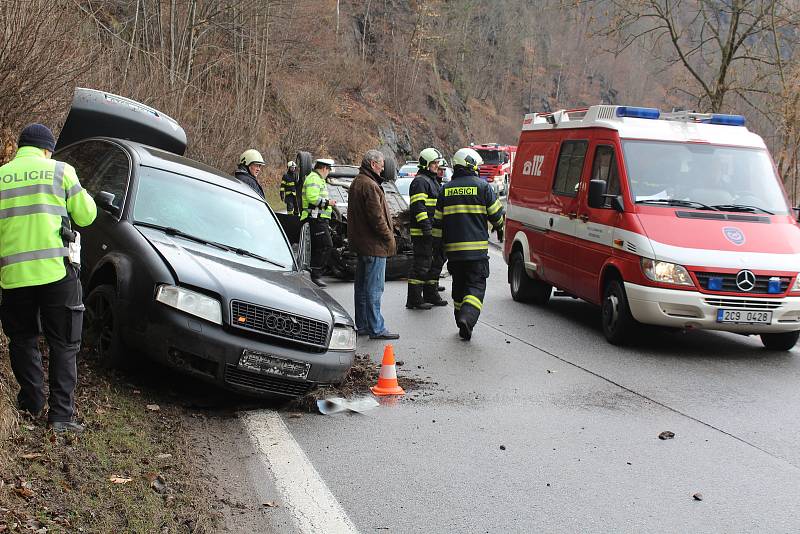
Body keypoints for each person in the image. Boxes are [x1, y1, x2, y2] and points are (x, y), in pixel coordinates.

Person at [0, 124, 97, 432]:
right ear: (47, 150)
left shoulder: (2, 177)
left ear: (20, 148)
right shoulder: (60, 171)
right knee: (64, 343)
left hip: (14, 275)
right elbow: (87, 216)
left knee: (22, 339)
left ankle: (31, 401)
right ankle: (60, 417)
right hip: (57, 272)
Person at [433, 147, 504, 341]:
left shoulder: (445, 190)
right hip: (476, 254)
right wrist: (500, 228)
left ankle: (460, 320)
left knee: (459, 286)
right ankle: (467, 317)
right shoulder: (482, 187)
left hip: (454, 254)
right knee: (476, 286)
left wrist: (437, 248)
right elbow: (497, 217)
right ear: (470, 163)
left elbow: (437, 225)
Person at [347, 150, 399, 340]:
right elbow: (377, 217)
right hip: (374, 245)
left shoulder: (359, 182)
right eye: (381, 164)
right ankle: (376, 328)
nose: (384, 167)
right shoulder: (369, 185)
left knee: (362, 288)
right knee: (374, 289)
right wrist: (389, 237)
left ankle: (362, 325)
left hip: (363, 244)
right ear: (372, 164)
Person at [406, 147, 448, 309]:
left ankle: (431, 293)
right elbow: (418, 207)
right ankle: (414, 299)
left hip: (434, 231)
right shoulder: (420, 182)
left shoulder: (432, 181)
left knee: (434, 263)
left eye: (437, 163)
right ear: (425, 164)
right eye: (434, 163)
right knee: (421, 265)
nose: (437, 166)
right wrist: (426, 228)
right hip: (423, 232)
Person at [300, 158, 336, 287]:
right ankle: (315, 275)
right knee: (325, 246)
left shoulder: (317, 179)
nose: (329, 172)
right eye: (329, 170)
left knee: (319, 247)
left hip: (319, 218)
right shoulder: (314, 179)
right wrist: (328, 203)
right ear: (324, 168)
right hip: (315, 218)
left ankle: (315, 272)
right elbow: (312, 198)